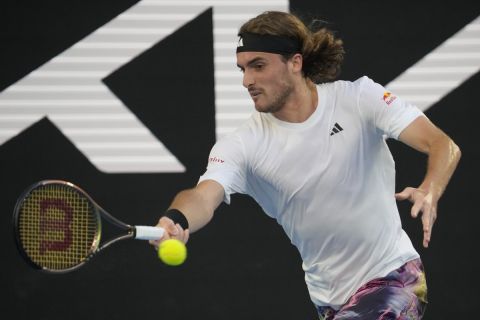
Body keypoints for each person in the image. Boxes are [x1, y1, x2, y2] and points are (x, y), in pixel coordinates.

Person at [150, 11, 461, 320]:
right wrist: (177, 218)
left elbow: (442, 145)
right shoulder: (242, 144)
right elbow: (204, 196)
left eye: (258, 66)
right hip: (329, 300)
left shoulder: (359, 99)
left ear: (295, 62)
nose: (247, 81)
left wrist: (430, 189)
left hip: (394, 277)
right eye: (243, 69)